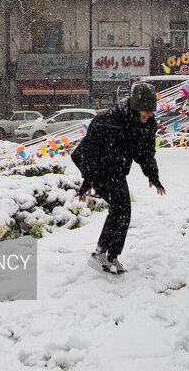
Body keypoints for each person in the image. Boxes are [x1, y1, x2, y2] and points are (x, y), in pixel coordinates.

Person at [71, 82, 166, 275]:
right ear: (136, 107)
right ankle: (99, 254)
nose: (150, 115)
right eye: (146, 111)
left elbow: (145, 153)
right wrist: (88, 180)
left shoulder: (147, 124)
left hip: (118, 171)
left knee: (124, 212)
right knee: (119, 208)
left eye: (152, 111)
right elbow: (88, 151)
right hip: (99, 170)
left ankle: (112, 255)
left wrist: (153, 176)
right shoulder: (107, 120)